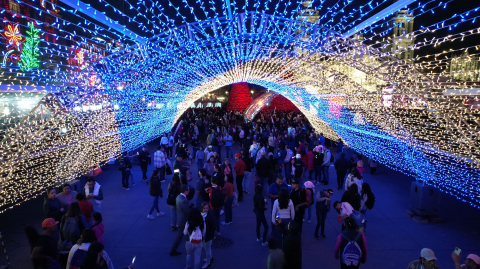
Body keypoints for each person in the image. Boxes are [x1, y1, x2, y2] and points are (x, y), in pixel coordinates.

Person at [170, 185, 191, 256]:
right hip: (183, 221)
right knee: (179, 236)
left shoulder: (178, 197)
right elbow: (188, 211)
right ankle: (173, 250)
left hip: (180, 219)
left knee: (182, 235)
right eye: (188, 190)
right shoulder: (184, 200)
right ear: (185, 191)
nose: (189, 191)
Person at [201, 202, 216, 269]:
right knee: (206, 248)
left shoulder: (210, 216)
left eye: (207, 208)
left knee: (207, 249)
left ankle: (208, 262)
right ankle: (210, 258)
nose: (206, 209)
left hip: (208, 235)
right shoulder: (202, 214)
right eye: (204, 208)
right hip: (204, 235)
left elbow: (213, 227)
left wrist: (211, 235)